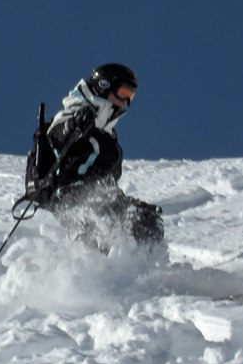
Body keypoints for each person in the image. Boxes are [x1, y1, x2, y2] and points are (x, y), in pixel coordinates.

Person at [42, 63, 163, 251]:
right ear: (104, 86)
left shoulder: (107, 135)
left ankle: (136, 270)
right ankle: (99, 263)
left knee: (147, 220)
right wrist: (75, 124)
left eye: (131, 97)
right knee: (110, 218)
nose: (126, 102)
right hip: (73, 197)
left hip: (100, 196)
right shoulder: (75, 112)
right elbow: (58, 135)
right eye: (123, 93)